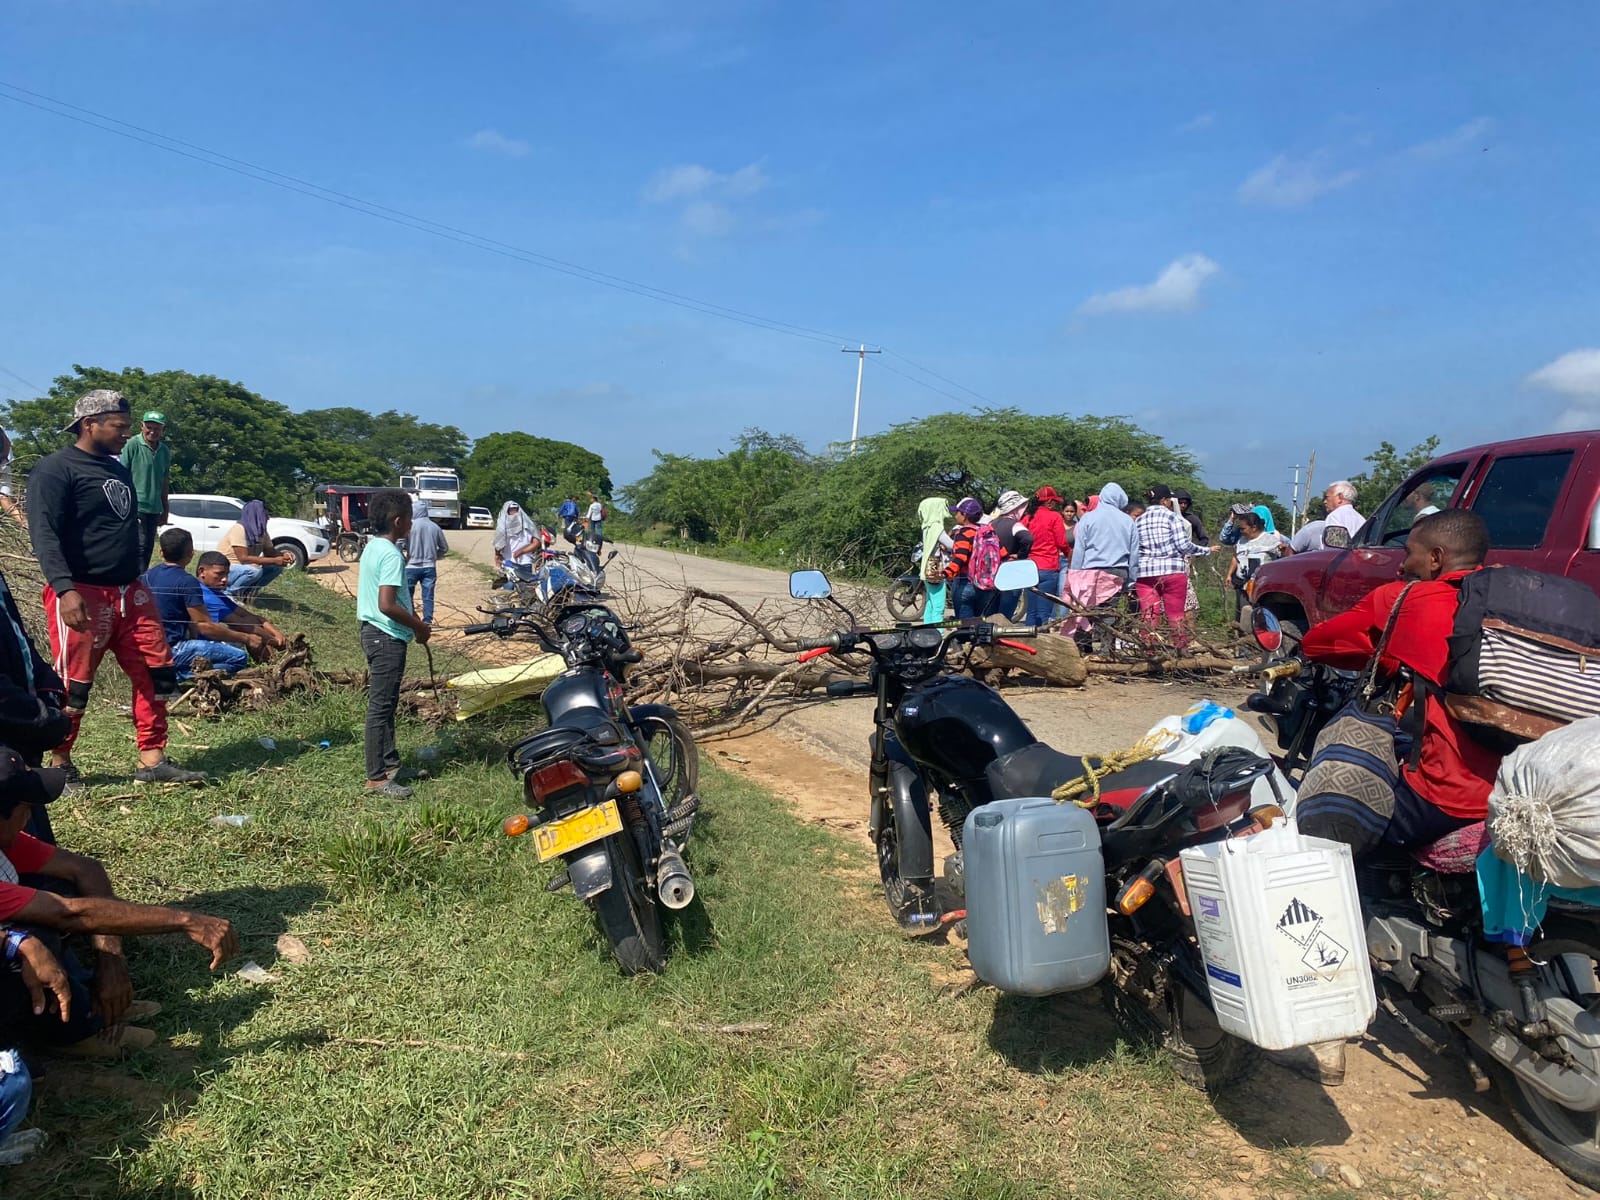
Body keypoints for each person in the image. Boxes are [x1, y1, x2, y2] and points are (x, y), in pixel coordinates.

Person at [0, 747, 238, 1057]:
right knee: (35, 939)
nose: (30, 816)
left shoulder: (7, 840)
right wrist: (186, 921)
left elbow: (85, 869)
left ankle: (83, 1001)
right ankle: (62, 1037)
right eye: (25, 807)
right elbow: (67, 914)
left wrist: (110, 960)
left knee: (60, 890)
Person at [1297, 508, 1499, 852]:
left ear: (1436, 558)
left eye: (1409, 553)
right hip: (1521, 785)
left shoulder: (1401, 597)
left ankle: (1364, 898)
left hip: (1450, 797)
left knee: (1342, 823)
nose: (1401, 565)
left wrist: (1381, 652)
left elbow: (1317, 642)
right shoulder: (1510, 601)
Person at [26, 389, 199, 789]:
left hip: (131, 591)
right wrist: (64, 589)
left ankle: (152, 759)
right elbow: (44, 536)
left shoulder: (117, 469)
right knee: (75, 685)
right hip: (82, 592)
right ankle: (60, 762)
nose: (126, 434)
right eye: (119, 427)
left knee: (158, 673)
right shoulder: (56, 470)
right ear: (90, 424)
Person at [357, 490, 431, 799]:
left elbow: (394, 598)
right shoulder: (389, 553)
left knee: (387, 705)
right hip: (385, 636)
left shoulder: (373, 546)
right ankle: (376, 778)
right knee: (381, 707)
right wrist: (418, 626)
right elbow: (387, 604)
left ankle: (390, 766)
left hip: (375, 632)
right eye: (410, 519)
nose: (412, 525)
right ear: (398, 521)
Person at [144, 531, 249, 678]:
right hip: (172, 649)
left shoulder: (148, 575)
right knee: (239, 657)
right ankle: (175, 676)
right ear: (190, 554)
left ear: (161, 552)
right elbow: (205, 626)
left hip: (144, 648)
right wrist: (246, 638)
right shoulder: (187, 582)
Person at [1062, 483, 1140, 649]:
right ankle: (1106, 652)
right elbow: (1134, 554)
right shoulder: (1128, 521)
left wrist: (1073, 575)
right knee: (1108, 613)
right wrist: (1131, 582)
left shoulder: (1087, 518)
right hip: (1117, 572)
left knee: (1084, 611)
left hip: (1089, 571)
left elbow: (1079, 550)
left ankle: (1083, 649)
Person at [1134, 484, 1210, 647]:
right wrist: (1205, 550)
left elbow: (1133, 548)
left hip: (1145, 574)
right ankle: (1180, 649)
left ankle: (1149, 650)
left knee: (1149, 615)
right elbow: (1183, 546)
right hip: (1172, 572)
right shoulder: (1172, 517)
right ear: (1164, 501)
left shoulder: (1139, 520)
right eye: (1169, 499)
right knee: (1175, 615)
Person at [193, 553, 288, 666]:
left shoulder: (215, 592)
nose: (225, 579)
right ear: (202, 571)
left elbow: (249, 616)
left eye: (227, 575)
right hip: (201, 645)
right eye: (219, 574)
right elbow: (241, 625)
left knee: (257, 630)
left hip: (213, 639)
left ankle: (273, 666)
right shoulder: (205, 594)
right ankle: (273, 667)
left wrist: (275, 633)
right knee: (251, 640)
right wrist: (274, 641)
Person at [119, 410, 172, 568]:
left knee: (149, 546)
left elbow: (164, 481)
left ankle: (142, 582)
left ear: (163, 430)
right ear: (141, 426)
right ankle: (135, 580)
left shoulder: (164, 451)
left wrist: (165, 507)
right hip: (136, 504)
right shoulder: (132, 444)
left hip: (154, 507)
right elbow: (121, 474)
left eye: (157, 428)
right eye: (149, 427)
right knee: (139, 546)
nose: (152, 431)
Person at [220, 500, 292, 601]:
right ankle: (229, 593)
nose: (268, 518)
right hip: (226, 569)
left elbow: (270, 552)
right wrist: (275, 560)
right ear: (256, 515)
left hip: (244, 567)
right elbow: (243, 559)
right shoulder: (239, 529)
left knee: (275, 568)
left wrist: (284, 555)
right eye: (265, 514)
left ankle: (248, 593)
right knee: (253, 570)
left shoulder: (262, 532)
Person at [1023, 487, 1069, 627]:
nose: (1055, 504)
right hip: (1048, 567)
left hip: (1029, 566)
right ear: (1049, 502)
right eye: (1054, 501)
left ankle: (1027, 642)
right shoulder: (1054, 517)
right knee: (1044, 610)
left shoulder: (1027, 518)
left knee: (1031, 610)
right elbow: (1061, 542)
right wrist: (1070, 555)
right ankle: (1042, 641)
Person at [402, 498, 448, 625]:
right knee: (428, 596)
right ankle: (427, 620)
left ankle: (410, 618)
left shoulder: (409, 526)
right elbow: (444, 548)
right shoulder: (435, 527)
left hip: (411, 566)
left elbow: (399, 543)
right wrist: (435, 556)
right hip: (429, 567)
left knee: (407, 595)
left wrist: (403, 558)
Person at [989, 490, 1033, 622]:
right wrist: (1020, 555)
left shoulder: (991, 524)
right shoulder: (1015, 525)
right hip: (1010, 572)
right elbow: (1028, 539)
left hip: (991, 571)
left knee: (991, 612)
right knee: (1005, 615)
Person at [943, 498, 985, 620]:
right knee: (980, 628)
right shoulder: (987, 531)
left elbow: (960, 558)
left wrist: (945, 573)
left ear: (964, 515)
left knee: (965, 629)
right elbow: (1002, 552)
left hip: (966, 582)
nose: (955, 515)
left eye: (957, 512)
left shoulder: (964, 533)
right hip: (986, 585)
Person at [916, 497, 950, 624]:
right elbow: (951, 545)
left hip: (926, 567)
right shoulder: (936, 527)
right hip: (935, 567)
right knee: (938, 607)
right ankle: (938, 637)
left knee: (930, 603)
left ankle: (927, 634)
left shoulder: (926, 526)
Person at [492, 501, 541, 583]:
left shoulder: (528, 526)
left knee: (525, 589)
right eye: (511, 510)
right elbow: (498, 544)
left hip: (525, 563)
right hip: (509, 564)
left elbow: (536, 542)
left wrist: (522, 551)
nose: (513, 512)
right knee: (511, 590)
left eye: (515, 510)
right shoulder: (502, 528)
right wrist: (498, 555)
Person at [0, 429, 25, 527]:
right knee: (4, 499)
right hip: (5, 465)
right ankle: (27, 526)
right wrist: (4, 460)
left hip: (2, 464)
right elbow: (8, 443)